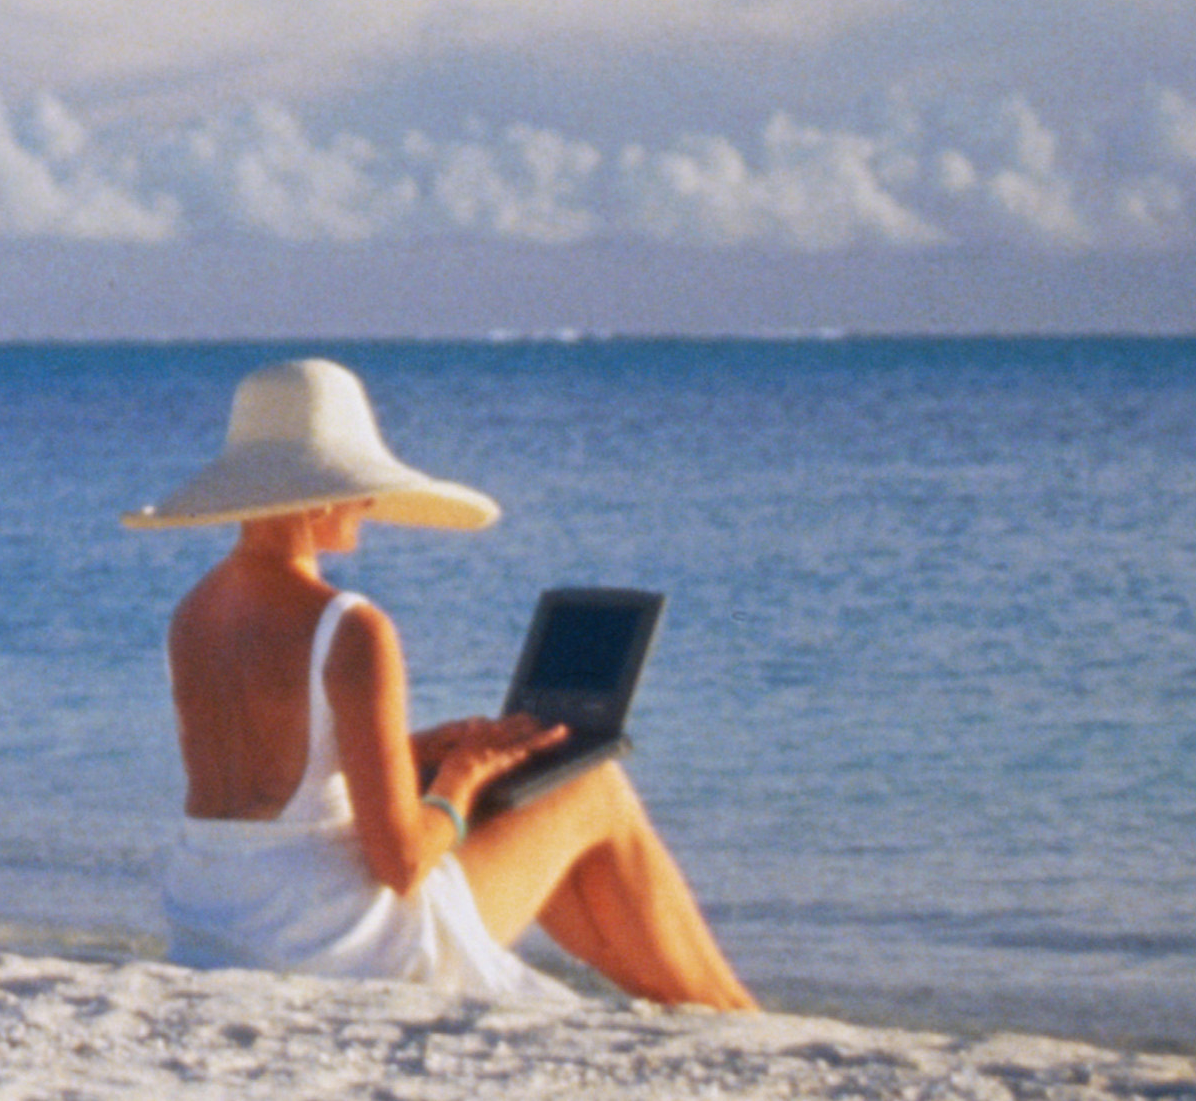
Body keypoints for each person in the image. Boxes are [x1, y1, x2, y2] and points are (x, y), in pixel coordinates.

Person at [125, 357, 757, 1009]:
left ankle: (687, 1001)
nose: (367, 503)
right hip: (323, 939)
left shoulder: (193, 612)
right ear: (312, 494)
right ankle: (732, 1013)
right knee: (592, 788)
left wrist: (421, 750)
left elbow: (266, 775)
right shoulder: (348, 625)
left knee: (534, 805)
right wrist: (461, 776)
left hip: (218, 918)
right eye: (356, 485)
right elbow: (399, 866)